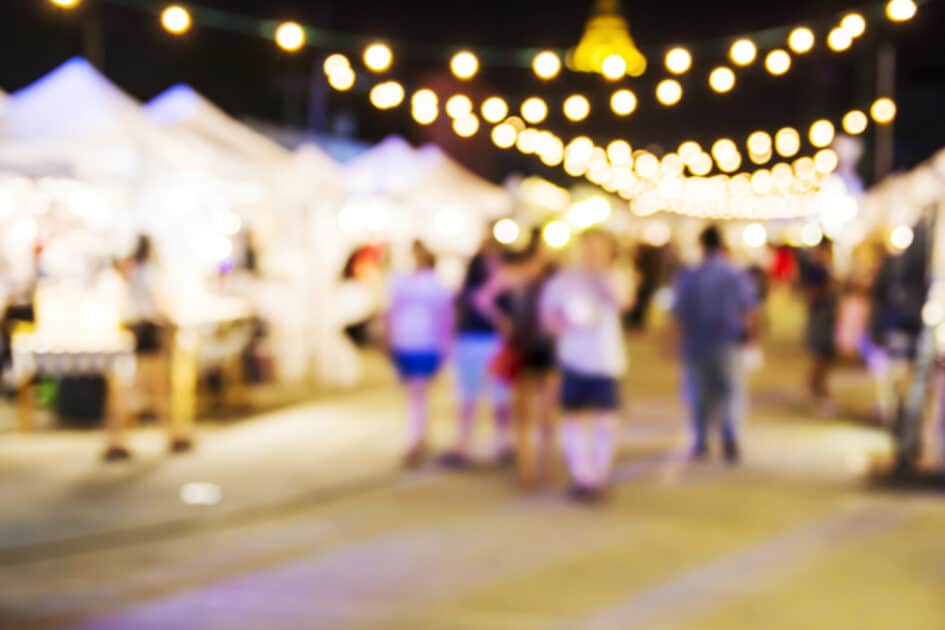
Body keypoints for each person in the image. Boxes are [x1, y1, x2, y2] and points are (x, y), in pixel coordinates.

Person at [540, 229, 630, 500]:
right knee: (574, 418)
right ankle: (582, 476)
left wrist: (603, 276)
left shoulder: (615, 277)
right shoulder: (565, 281)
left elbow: (624, 302)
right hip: (574, 358)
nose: (592, 254)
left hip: (606, 360)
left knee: (606, 420)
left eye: (598, 248)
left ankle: (601, 474)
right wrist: (567, 323)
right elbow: (548, 318)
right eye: (588, 248)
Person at [474, 231, 559, 486]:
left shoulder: (549, 281)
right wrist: (503, 321)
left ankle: (542, 465)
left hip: (546, 351)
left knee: (545, 413)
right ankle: (528, 467)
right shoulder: (518, 278)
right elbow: (484, 298)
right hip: (524, 350)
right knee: (526, 414)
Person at [673, 226, 758, 463]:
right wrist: (751, 337)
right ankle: (729, 435)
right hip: (728, 341)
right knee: (731, 391)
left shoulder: (691, 275)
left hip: (697, 341)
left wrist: (675, 342)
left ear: (701, 245)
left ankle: (701, 441)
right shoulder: (734, 274)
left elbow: (679, 313)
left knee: (699, 393)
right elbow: (749, 308)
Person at [442, 236, 514, 467]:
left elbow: (508, 324)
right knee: (470, 397)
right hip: (473, 343)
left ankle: (500, 443)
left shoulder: (502, 287)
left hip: (491, 344)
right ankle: (465, 444)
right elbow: (457, 316)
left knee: (499, 399)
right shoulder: (471, 289)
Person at [385, 241, 453, 468]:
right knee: (416, 393)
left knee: (417, 392)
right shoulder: (406, 283)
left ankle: (418, 437)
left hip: (422, 343)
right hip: (411, 343)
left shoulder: (431, 286)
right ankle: (419, 435)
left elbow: (444, 319)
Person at [800, 240, 838, 414]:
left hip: (823, 316)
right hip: (820, 316)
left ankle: (816, 390)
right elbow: (811, 294)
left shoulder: (821, 267)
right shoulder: (816, 268)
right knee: (820, 355)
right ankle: (817, 392)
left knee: (823, 355)